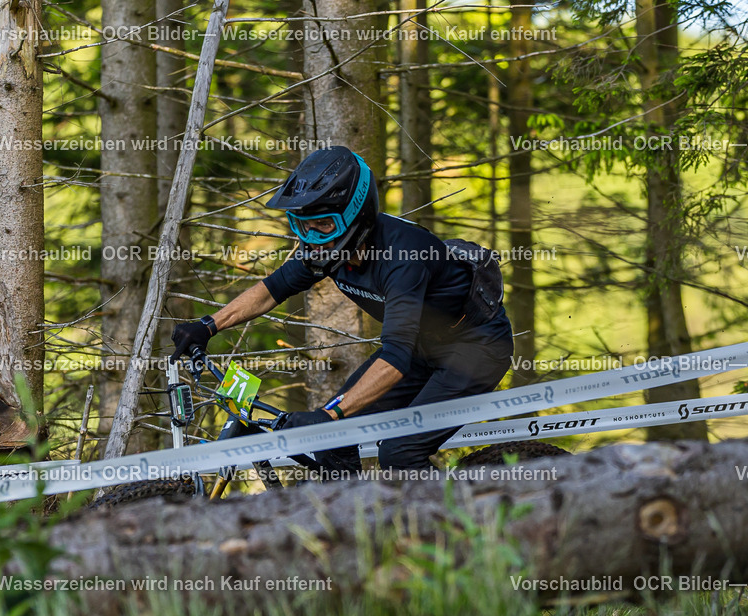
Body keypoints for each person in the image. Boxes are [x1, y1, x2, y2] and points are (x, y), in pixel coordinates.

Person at [170, 146, 513, 473]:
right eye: (303, 226)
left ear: (355, 216)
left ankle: (457, 528)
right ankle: (349, 516)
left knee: (399, 452)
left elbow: (394, 360)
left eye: (324, 224)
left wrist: (329, 414)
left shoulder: (404, 255)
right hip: (420, 350)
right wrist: (207, 325)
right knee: (332, 439)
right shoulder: (330, 250)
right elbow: (271, 290)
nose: (313, 237)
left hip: (475, 348)